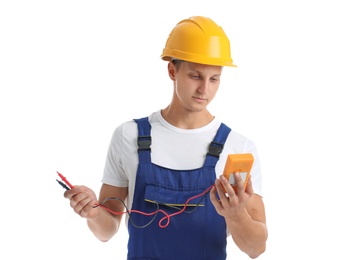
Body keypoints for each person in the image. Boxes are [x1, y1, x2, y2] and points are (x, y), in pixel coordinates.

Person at [64, 16, 268, 259]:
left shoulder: (239, 147)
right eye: (195, 76)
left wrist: (235, 214)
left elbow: (256, 248)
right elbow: (107, 231)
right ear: (172, 70)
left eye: (214, 79)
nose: (205, 89)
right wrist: (93, 212)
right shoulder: (128, 136)